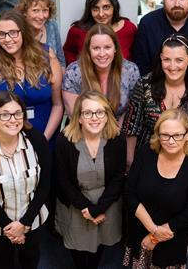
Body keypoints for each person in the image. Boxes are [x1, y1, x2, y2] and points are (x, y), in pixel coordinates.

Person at [0, 91, 50, 269]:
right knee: (2, 263)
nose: (13, 120)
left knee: (31, 261)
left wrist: (24, 223)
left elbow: (45, 185)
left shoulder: (36, 140)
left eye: (17, 113)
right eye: (5, 114)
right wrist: (10, 228)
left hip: (32, 220)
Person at [123, 109, 188, 268]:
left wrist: (155, 238)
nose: (171, 141)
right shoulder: (145, 154)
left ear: (187, 135)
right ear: (158, 135)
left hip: (172, 236)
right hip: (141, 228)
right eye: (165, 135)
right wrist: (153, 229)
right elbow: (129, 193)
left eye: (177, 135)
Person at [55, 90, 125, 269]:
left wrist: (100, 209)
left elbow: (118, 178)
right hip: (76, 203)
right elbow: (63, 181)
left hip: (107, 203)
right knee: (77, 247)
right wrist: (87, 209)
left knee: (99, 243)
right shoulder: (64, 140)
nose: (95, 118)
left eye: (100, 112)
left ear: (107, 115)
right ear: (79, 118)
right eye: (88, 113)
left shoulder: (117, 138)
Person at [122, 34, 188, 167]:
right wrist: (130, 163)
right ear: (160, 58)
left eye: (179, 60)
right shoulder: (145, 84)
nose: (172, 66)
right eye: (167, 59)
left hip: (183, 161)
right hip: (146, 159)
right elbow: (131, 128)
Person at [0, 10, 63, 146]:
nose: (8, 39)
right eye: (2, 34)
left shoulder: (46, 55)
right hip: (6, 143)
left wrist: (44, 140)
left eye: (13, 32)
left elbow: (58, 105)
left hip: (46, 137)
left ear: (24, 32)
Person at [62, 24, 140, 125]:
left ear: (115, 48)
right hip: (82, 132)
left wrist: (117, 138)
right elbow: (75, 116)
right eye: (96, 48)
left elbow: (130, 114)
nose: (102, 54)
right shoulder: (74, 72)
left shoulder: (130, 71)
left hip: (118, 132)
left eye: (107, 47)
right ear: (88, 50)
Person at [63, 0, 137, 65]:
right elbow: (67, 54)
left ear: (114, 7)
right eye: (95, 8)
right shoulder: (77, 31)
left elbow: (137, 56)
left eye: (106, 7)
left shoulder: (129, 29)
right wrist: (81, 71)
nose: (101, 14)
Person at [16, 0, 66, 67]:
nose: (41, 16)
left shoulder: (51, 25)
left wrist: (60, 78)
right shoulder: (17, 30)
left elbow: (61, 60)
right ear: (24, 12)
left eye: (45, 10)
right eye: (35, 10)